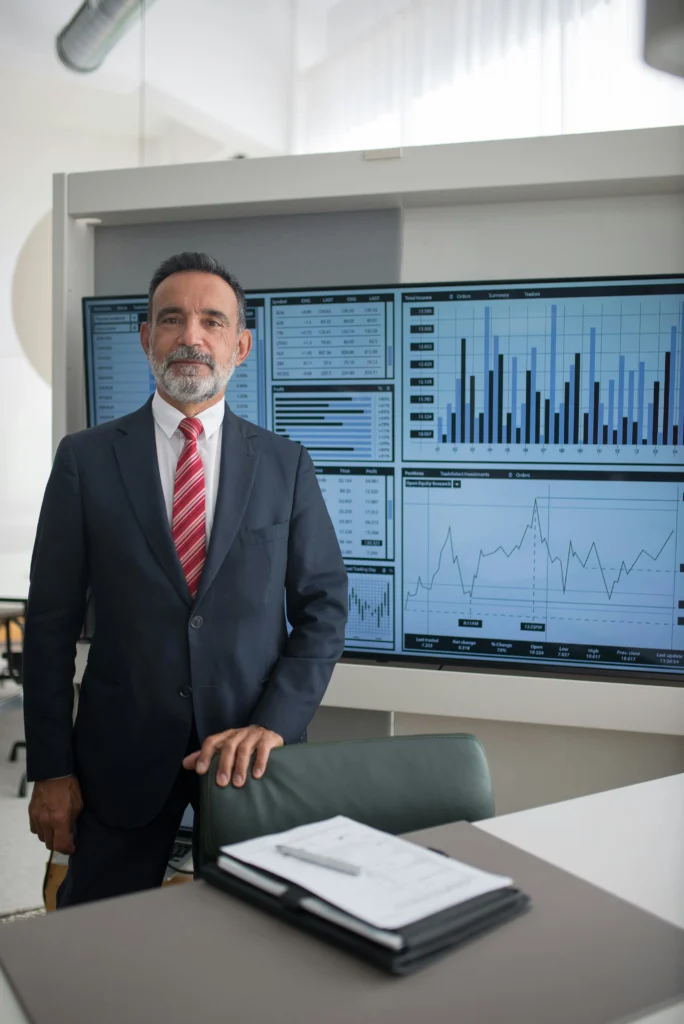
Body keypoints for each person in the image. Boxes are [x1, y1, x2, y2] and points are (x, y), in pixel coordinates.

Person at [22, 251, 348, 906]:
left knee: (258, 939)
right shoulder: (86, 460)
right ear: (147, 338)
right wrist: (51, 769)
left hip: (250, 757)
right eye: (171, 319)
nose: (190, 336)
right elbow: (50, 626)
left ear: (241, 345)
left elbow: (325, 607)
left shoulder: (285, 464)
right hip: (119, 762)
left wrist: (275, 724)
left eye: (212, 321)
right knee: (104, 942)